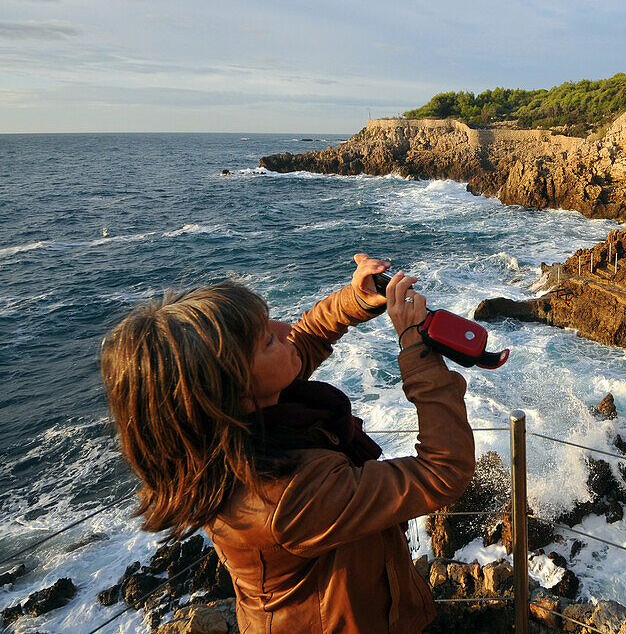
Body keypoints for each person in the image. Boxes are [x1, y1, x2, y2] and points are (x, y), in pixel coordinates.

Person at [101, 254, 475, 633]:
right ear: (232, 394)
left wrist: (354, 299)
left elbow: (299, 344)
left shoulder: (231, 434)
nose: (284, 329)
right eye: (266, 340)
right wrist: (417, 349)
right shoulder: (286, 497)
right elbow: (442, 472)